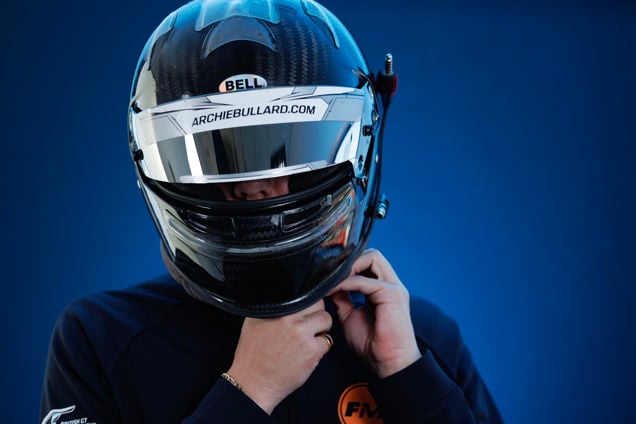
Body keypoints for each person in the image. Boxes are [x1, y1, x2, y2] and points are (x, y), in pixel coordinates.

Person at [40, 0, 503, 422]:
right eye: (221, 156)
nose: (256, 186)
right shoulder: (101, 339)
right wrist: (249, 390)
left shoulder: (419, 339)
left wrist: (407, 373)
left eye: (287, 149)